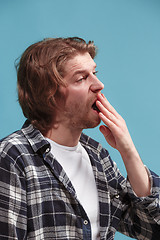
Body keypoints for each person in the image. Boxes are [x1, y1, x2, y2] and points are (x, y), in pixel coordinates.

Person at [0, 37, 159, 240]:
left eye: (95, 73)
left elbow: (152, 229)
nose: (99, 85)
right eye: (81, 78)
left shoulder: (98, 158)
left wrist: (129, 152)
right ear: (50, 95)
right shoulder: (14, 156)